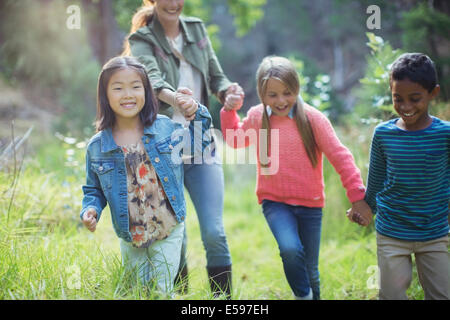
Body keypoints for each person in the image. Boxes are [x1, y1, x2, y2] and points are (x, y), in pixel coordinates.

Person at [220, 56, 372, 300]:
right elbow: (234, 139)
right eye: (272, 95)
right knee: (290, 249)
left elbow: (340, 157)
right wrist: (229, 111)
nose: (281, 100)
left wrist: (357, 196)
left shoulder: (314, 119)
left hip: (311, 205)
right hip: (275, 202)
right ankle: (303, 296)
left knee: (310, 269)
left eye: (287, 93)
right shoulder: (259, 117)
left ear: (296, 89)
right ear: (261, 93)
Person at [123, 0, 244, 297]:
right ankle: (182, 296)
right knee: (177, 234)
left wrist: (230, 93)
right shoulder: (142, 39)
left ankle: (223, 299)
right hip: (163, 151)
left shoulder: (196, 29)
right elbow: (151, 80)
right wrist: (178, 100)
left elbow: (216, 76)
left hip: (202, 145)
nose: (174, 3)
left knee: (214, 232)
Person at [80, 56, 212, 296]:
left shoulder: (164, 128)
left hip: (168, 228)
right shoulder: (98, 146)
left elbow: (198, 143)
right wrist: (91, 210)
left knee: (162, 290)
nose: (128, 94)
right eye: (118, 88)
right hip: (131, 236)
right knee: (136, 291)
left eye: (135, 86)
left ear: (147, 92)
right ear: (105, 96)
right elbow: (94, 190)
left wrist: (196, 110)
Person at [364, 53, 449, 300]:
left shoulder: (445, 134)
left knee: (441, 294)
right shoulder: (383, 134)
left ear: (433, 93)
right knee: (390, 295)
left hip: (434, 232)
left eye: (415, 99)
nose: (405, 107)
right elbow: (377, 178)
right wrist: (365, 207)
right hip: (392, 230)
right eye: (397, 99)